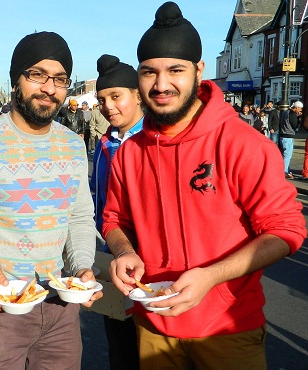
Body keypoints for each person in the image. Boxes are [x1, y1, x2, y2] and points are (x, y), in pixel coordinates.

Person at [101, 3, 306, 369]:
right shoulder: (130, 152)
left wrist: (211, 276)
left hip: (228, 329)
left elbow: (286, 230)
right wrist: (123, 252)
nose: (161, 85)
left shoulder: (242, 143)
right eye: (150, 73)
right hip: (153, 326)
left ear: (198, 71)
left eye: (175, 71)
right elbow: (114, 219)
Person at [0, 31, 102, 370]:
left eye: (59, 79)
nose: (49, 88)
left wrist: (82, 267)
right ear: (16, 81)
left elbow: (81, 218)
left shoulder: (72, 145)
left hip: (60, 313)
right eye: (36, 74)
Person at [90, 54, 143, 370]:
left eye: (116, 96)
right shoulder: (105, 141)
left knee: (148, 348)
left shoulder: (155, 138)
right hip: (113, 250)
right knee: (119, 344)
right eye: (101, 99)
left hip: (150, 257)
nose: (108, 106)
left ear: (137, 95)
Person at [280, 101, 303, 179]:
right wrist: (299, 118)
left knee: (284, 154)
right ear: (296, 108)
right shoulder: (292, 114)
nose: (301, 110)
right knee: (287, 155)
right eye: (300, 108)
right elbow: (294, 125)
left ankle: (287, 169)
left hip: (283, 136)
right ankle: (284, 171)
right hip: (288, 136)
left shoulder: (286, 112)